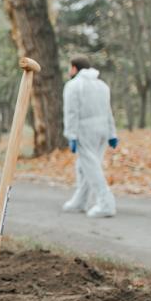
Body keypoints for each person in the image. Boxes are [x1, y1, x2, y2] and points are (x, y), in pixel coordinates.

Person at [62, 55, 118, 218]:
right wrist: (112, 133)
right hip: (102, 130)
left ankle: (106, 203)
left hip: (84, 130)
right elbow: (108, 111)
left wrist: (71, 135)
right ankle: (80, 201)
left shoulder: (73, 86)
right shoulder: (102, 85)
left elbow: (71, 112)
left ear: (74, 68)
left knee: (91, 167)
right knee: (85, 166)